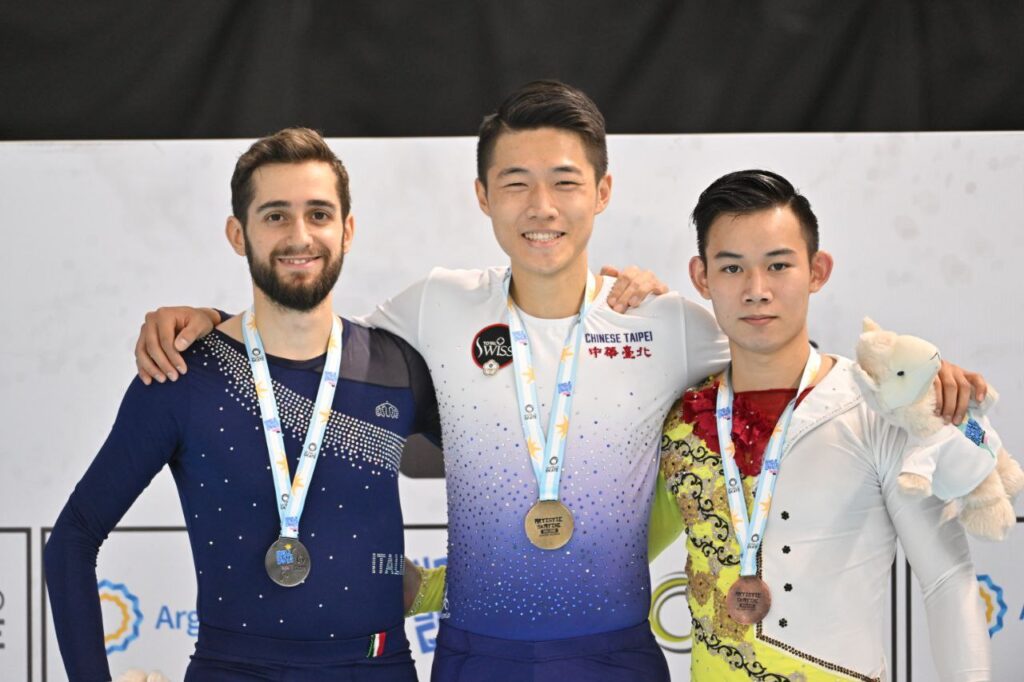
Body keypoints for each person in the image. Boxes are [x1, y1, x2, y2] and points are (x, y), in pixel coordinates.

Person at [131, 82, 985, 681]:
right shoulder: (434, 306)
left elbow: (783, 362)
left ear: (603, 190)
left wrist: (916, 383)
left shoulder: (671, 323)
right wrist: (211, 320)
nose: (542, 206)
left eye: (565, 182)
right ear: (482, 196)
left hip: (614, 653)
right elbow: (309, 337)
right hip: (473, 652)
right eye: (517, 182)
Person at [45, 128, 443, 682]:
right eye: (276, 215)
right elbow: (73, 538)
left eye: (320, 214)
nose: (300, 235)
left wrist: (606, 310)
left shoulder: (398, 369)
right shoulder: (181, 374)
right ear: (238, 233)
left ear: (348, 230)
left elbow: (517, 466)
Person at [656, 169, 996, 681]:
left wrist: (962, 418)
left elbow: (947, 579)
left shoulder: (878, 406)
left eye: (778, 265)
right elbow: (616, 559)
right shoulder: (681, 419)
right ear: (701, 277)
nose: (756, 290)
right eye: (731, 269)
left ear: (817, 270)